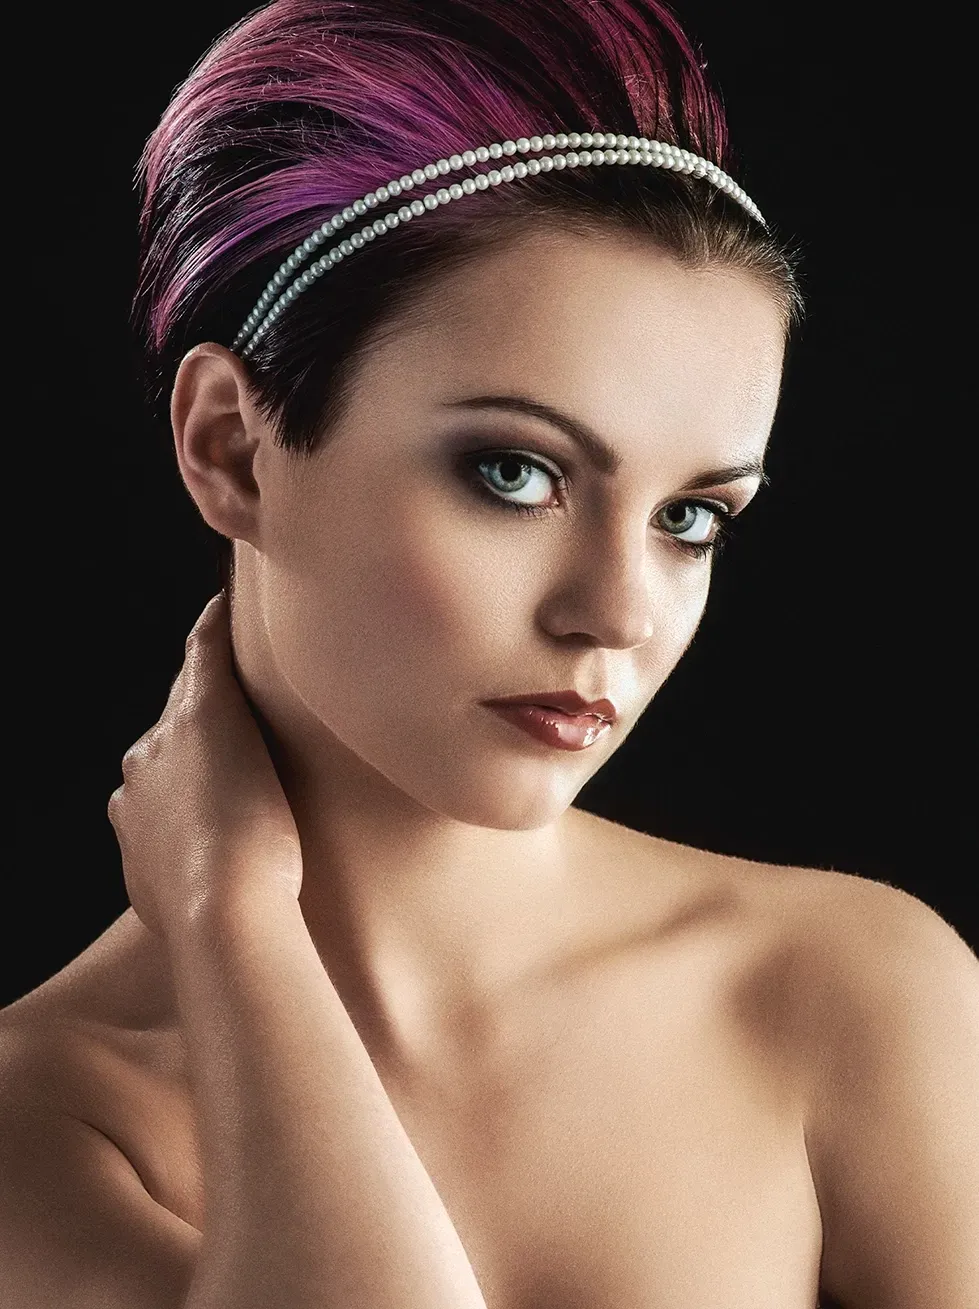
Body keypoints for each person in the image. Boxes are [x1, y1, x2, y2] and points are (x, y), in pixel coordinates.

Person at [2, 1, 977, 1306]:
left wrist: (230, 919)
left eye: (690, 518)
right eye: (513, 473)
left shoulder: (848, 991)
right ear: (233, 447)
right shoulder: (39, 1124)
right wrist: (239, 938)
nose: (618, 611)